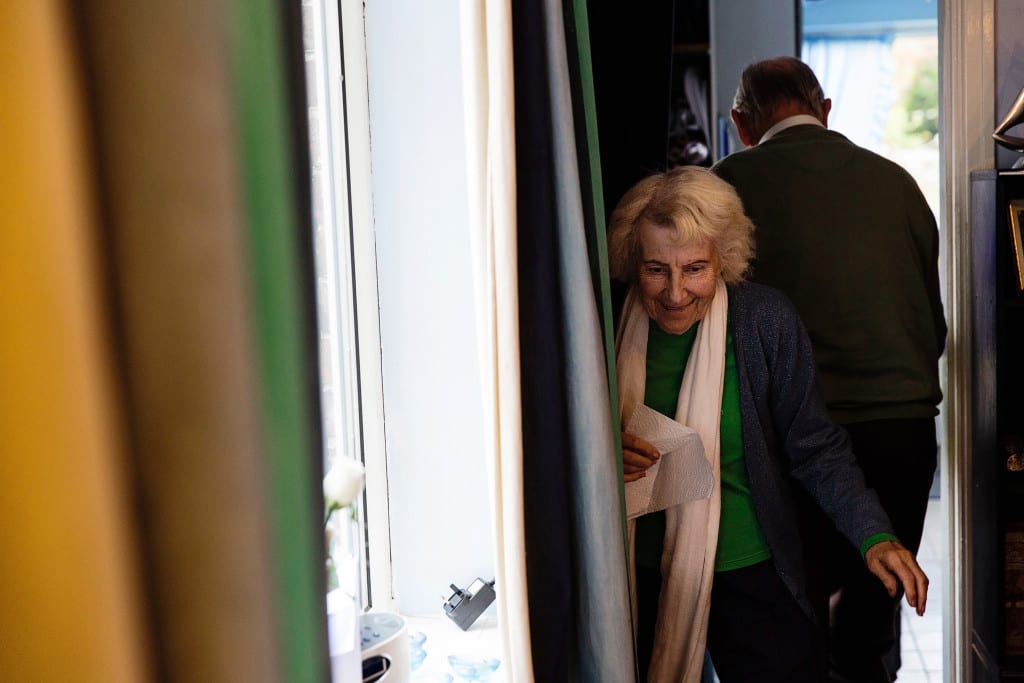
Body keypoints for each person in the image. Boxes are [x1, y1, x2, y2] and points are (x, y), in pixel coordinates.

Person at [608, 165, 928, 683]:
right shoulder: (603, 323)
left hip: (749, 567)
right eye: (655, 269)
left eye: (694, 268)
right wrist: (600, 451)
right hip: (635, 573)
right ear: (631, 260)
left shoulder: (764, 320)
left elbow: (815, 445)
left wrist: (875, 535)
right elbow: (558, 439)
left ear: (724, 259)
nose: (673, 293)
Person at [712, 57, 946, 683]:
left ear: (741, 122)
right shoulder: (898, 182)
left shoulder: (726, 187)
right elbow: (935, 327)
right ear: (825, 110)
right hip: (903, 433)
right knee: (871, 620)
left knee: (797, 621)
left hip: (794, 439)